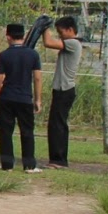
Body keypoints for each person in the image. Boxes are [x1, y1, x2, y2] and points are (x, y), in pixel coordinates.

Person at [0, 22, 43, 173]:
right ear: (23, 35)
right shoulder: (33, 54)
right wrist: (38, 99)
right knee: (27, 131)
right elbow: (38, 78)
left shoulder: (4, 55)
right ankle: (29, 165)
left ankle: (7, 165)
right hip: (25, 97)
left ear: (8, 37)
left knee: (6, 131)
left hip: (7, 97)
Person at [41, 15, 83, 168]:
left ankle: (59, 160)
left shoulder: (73, 43)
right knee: (56, 124)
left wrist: (44, 26)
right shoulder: (70, 43)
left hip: (65, 90)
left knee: (57, 125)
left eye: (61, 32)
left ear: (70, 30)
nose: (60, 35)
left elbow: (48, 42)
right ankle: (57, 159)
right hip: (61, 89)